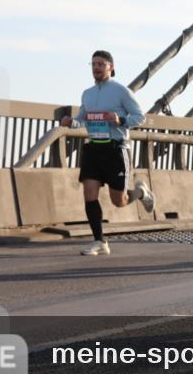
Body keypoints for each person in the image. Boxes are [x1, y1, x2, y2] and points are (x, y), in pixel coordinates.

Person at [60, 50, 156, 256]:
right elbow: (82, 120)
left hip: (116, 149)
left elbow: (140, 117)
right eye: (93, 64)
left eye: (100, 64)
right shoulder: (87, 93)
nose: (96, 68)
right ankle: (99, 241)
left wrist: (120, 120)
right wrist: (71, 122)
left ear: (110, 67)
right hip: (94, 148)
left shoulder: (122, 91)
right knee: (89, 194)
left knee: (118, 201)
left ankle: (140, 193)